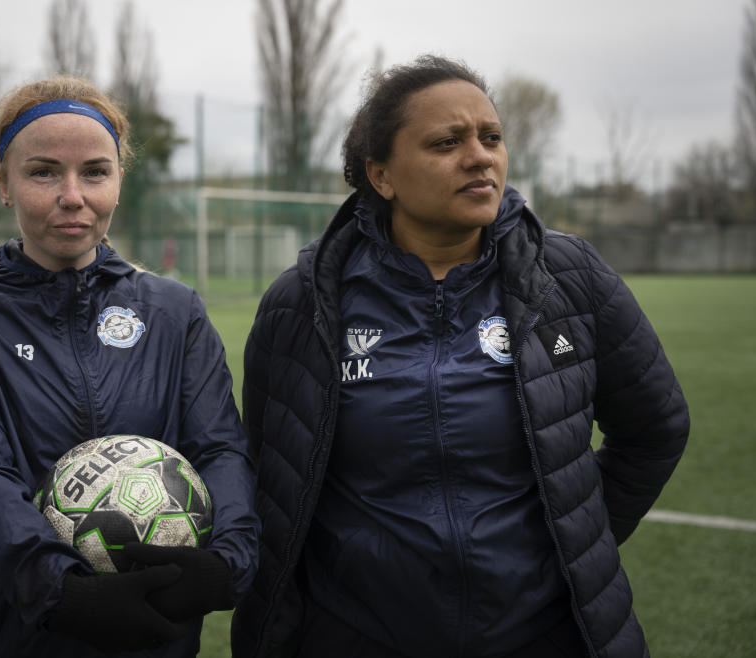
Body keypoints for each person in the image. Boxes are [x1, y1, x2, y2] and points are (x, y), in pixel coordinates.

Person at [231, 55, 689, 658]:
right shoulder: (304, 303)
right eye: (447, 142)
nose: (480, 157)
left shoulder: (571, 278)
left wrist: (578, 541)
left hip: (544, 631)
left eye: (491, 137)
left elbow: (655, 428)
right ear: (382, 175)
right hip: (356, 634)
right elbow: (275, 473)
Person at [0, 76, 259, 658]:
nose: (72, 195)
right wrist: (63, 595)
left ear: (119, 182)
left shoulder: (176, 312)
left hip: (160, 626)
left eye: (95, 172)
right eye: (43, 172)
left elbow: (221, 448)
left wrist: (228, 561)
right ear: (4, 184)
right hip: (15, 630)